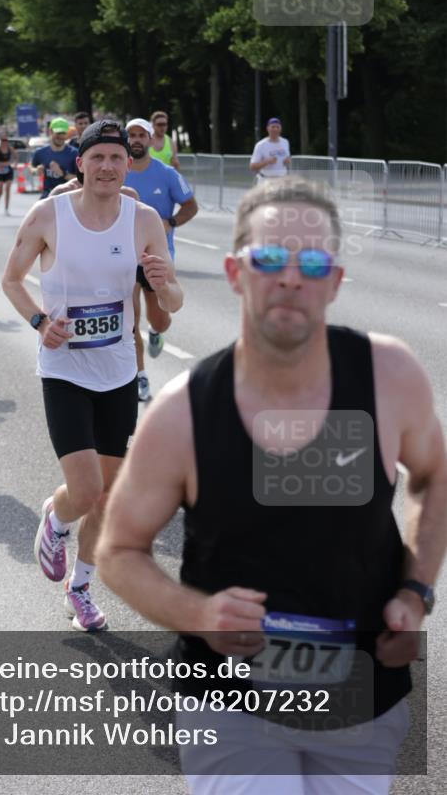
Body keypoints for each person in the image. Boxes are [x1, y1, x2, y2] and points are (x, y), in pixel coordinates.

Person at [98, 176, 447, 794]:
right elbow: (118, 551)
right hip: (229, 705)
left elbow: (434, 476)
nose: (290, 278)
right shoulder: (184, 409)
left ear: (334, 281)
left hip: (360, 700)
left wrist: (416, 589)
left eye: (312, 263)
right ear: (236, 273)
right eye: (268, 259)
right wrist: (199, 614)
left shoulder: (389, 376)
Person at [2, 119, 183, 631]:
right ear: (80, 163)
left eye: (116, 158)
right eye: (97, 157)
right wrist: (40, 322)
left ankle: (79, 588)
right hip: (64, 368)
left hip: (118, 370)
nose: (107, 166)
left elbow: (173, 300)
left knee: (108, 496)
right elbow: (11, 280)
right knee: (84, 492)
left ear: (128, 164)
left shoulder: (144, 219)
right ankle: (56, 518)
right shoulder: (49, 215)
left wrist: (163, 285)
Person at [125, 118, 198, 401]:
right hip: (123, 257)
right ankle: (140, 376)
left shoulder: (166, 174)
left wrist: (171, 222)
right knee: (129, 320)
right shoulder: (117, 171)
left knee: (160, 319)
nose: (136, 140)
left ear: (150, 139)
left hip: (158, 256)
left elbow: (191, 205)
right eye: (131, 135)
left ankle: (156, 332)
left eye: (140, 135)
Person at [31, 118, 77, 198]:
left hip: (67, 198)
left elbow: (81, 180)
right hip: (47, 197)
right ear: (50, 131)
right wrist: (36, 171)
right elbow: (31, 167)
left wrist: (63, 174)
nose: (61, 136)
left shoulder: (74, 153)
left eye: (63, 133)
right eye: (58, 133)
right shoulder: (40, 152)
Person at [250, 117, 291, 183]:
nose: (275, 129)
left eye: (278, 127)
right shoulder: (261, 145)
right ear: (268, 128)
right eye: (273, 127)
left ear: (280, 129)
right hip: (266, 181)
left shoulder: (285, 142)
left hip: (281, 180)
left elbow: (287, 159)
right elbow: (252, 167)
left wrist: (287, 161)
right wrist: (266, 162)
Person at [0, 129, 17, 213]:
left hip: (8, 170)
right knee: (0, 190)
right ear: (0, 141)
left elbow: (16, 157)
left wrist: (14, 164)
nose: (4, 142)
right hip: (0, 171)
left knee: (8, 188)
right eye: (3, 140)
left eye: (6, 140)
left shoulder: (10, 149)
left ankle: (6, 208)